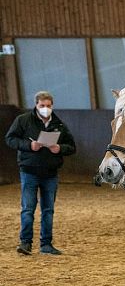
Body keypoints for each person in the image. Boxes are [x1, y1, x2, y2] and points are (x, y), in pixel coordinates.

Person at [5, 91, 76, 255]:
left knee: (48, 210)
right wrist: (29, 146)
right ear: (36, 105)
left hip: (50, 173)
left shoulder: (59, 124)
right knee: (28, 208)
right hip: (29, 171)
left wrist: (60, 148)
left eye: (49, 106)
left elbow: (71, 147)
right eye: (42, 106)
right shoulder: (23, 120)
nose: (46, 109)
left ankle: (46, 244)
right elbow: (10, 139)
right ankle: (25, 243)